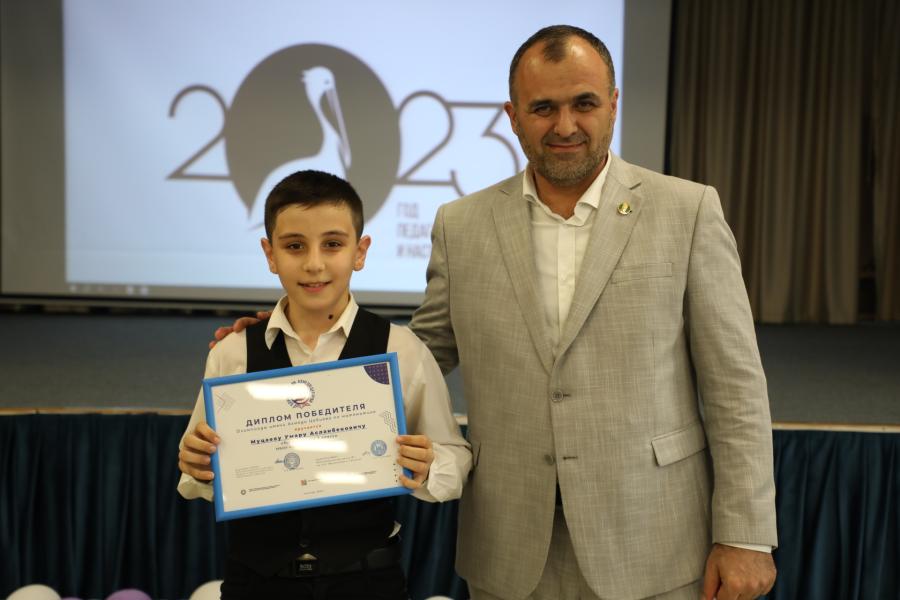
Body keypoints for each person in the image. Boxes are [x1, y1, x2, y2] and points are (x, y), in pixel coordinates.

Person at [217, 25, 777, 600]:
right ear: (513, 116)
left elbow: (735, 385)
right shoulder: (461, 225)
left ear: (614, 103)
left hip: (652, 539)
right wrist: (294, 336)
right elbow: (421, 353)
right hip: (510, 546)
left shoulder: (688, 211)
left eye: (584, 103)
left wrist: (746, 535)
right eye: (543, 108)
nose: (565, 125)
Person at [178, 169, 471, 600]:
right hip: (256, 583)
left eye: (332, 244)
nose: (314, 263)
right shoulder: (232, 353)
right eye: (294, 246)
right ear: (270, 254)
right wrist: (197, 465)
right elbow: (198, 469)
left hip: (367, 583)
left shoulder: (401, 349)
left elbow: (455, 458)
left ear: (360, 251)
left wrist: (430, 466)